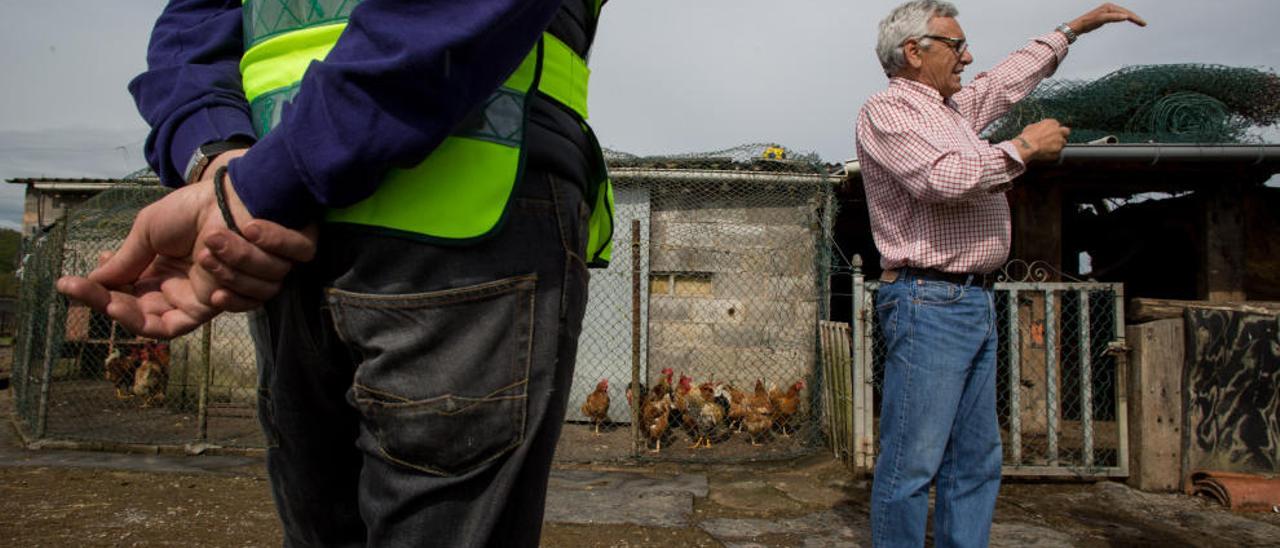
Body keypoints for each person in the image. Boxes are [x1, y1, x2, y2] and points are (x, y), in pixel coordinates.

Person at [58, 0, 614, 545]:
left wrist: (236, 182)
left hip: (303, 229)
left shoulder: (256, 199)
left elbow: (194, 23)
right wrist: (227, 169)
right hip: (419, 220)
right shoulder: (254, 198)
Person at [855, 2, 1145, 546]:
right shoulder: (889, 110)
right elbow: (943, 178)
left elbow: (1006, 79)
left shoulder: (952, 110)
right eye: (956, 45)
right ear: (914, 52)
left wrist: (1071, 30)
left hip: (969, 301)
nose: (968, 56)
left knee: (976, 459)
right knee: (911, 463)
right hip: (928, 301)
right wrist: (1025, 147)